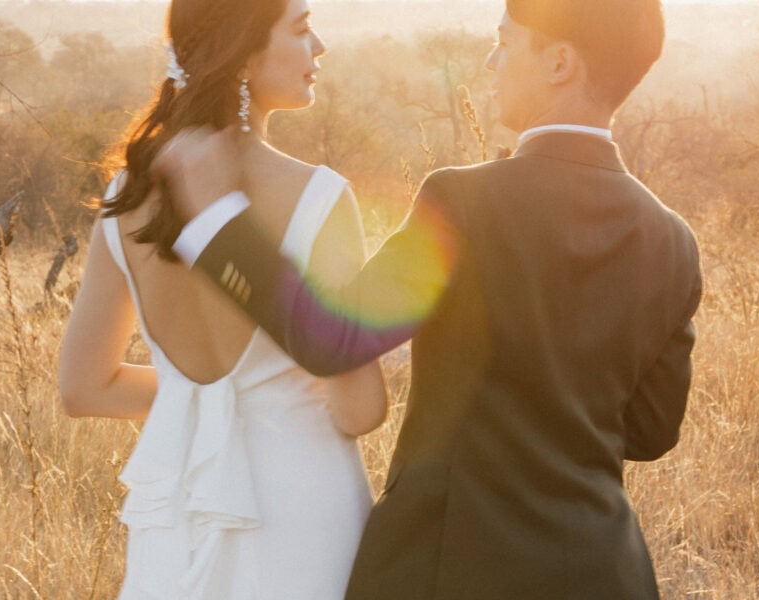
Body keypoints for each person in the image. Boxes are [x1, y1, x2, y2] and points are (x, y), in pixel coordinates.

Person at [153, 0, 704, 598]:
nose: (491, 63)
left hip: (452, 565)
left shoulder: (466, 202)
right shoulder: (672, 238)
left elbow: (331, 338)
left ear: (560, 63)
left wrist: (217, 221)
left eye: (505, 43)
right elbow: (652, 431)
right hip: (606, 571)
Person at [57, 0, 388, 597]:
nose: (320, 49)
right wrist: (283, 391)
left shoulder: (128, 195)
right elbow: (358, 409)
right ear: (242, 57)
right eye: (303, 28)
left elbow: (85, 387)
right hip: (305, 512)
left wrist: (197, 399)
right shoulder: (320, 197)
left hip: (179, 510)